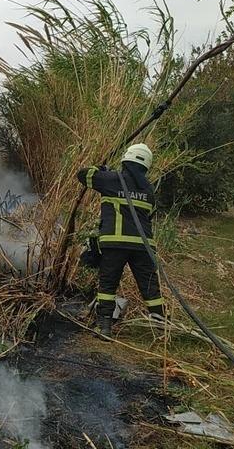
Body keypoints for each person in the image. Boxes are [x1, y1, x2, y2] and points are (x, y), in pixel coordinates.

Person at [76, 143, 164, 338]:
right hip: (143, 246)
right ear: (146, 165)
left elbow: (83, 174)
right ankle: (162, 330)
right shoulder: (149, 189)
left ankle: (105, 328)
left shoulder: (112, 179)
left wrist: (101, 169)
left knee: (108, 285)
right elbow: (148, 215)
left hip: (115, 244)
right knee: (150, 287)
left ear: (126, 159)